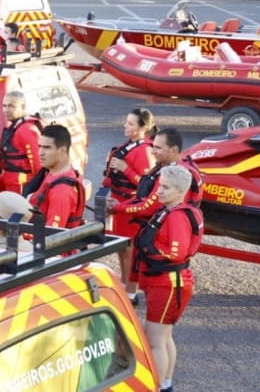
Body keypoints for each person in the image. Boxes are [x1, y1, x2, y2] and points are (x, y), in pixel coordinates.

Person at [111, 128, 203, 302]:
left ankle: (131, 295)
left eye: (158, 148)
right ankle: (130, 292)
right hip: (162, 228)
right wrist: (121, 205)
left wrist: (119, 208)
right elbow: (144, 197)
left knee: (139, 251)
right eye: (154, 146)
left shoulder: (174, 174)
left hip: (167, 238)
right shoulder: (168, 166)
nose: (153, 151)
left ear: (174, 150)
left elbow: (148, 206)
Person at [134, 164, 202, 392]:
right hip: (169, 283)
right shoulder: (173, 211)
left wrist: (151, 247)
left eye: (165, 187)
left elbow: (176, 253)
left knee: (155, 341)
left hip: (168, 283)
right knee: (164, 337)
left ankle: (155, 386)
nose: (159, 191)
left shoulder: (175, 218)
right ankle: (166, 384)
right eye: (159, 186)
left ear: (180, 191)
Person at [102, 108, 156, 301]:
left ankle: (131, 292)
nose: (126, 126)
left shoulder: (145, 151)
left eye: (131, 123)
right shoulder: (127, 146)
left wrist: (125, 168)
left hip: (131, 206)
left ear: (143, 128)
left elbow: (146, 185)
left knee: (130, 251)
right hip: (118, 203)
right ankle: (124, 284)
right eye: (126, 122)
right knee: (121, 247)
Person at [23, 124, 84, 229]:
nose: (40, 153)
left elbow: (51, 236)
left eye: (47, 148)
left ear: (62, 151)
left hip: (37, 242)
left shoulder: (61, 191)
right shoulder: (53, 172)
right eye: (40, 147)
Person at [0, 91, 42, 194]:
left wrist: (35, 185)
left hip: (22, 185)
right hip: (14, 183)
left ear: (23, 107)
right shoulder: (16, 127)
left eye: (11, 106)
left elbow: (36, 162)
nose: (6, 110)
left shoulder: (26, 129)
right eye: (4, 106)